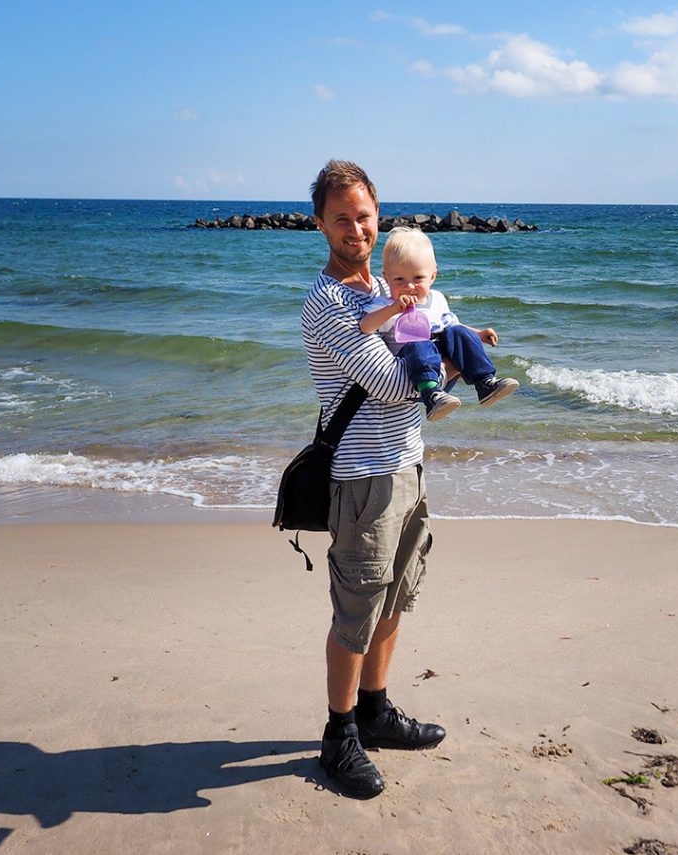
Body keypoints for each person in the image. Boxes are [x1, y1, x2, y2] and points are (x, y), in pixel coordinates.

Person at [301, 160, 446, 799]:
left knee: (395, 598)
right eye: (341, 218)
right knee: (356, 609)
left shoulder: (389, 287)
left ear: (377, 214)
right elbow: (393, 384)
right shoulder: (330, 302)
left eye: (364, 216)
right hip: (361, 479)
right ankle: (339, 735)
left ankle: (376, 711)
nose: (355, 228)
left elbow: (429, 362)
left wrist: (445, 347)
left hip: (408, 465)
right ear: (320, 224)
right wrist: (449, 352)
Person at [358, 226, 519, 421]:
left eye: (418, 278)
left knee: (457, 331)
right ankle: (432, 396)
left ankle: (485, 382)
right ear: (386, 278)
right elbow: (365, 326)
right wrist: (393, 309)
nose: (409, 286)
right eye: (399, 279)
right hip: (414, 371)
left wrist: (479, 334)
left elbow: (450, 325)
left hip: (441, 366)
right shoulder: (385, 305)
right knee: (420, 341)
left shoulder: (437, 299)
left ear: (432, 276)